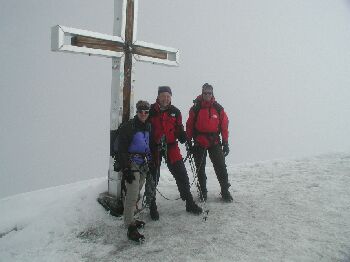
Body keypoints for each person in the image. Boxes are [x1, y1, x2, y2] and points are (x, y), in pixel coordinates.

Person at [146, 86, 202, 220]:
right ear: (158, 97)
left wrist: (185, 139)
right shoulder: (150, 111)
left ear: (171, 97)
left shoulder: (175, 112)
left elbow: (179, 129)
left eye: (168, 96)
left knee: (181, 174)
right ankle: (152, 205)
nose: (165, 99)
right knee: (153, 176)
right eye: (163, 96)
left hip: (171, 147)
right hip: (154, 148)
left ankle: (189, 202)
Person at [186, 83, 233, 202]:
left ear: (212, 94)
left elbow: (224, 126)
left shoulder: (218, 108)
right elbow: (189, 126)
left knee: (221, 166)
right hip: (199, 142)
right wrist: (188, 141)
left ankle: (225, 190)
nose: (207, 95)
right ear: (202, 93)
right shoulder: (195, 108)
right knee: (200, 168)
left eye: (209, 93)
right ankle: (203, 191)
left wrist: (225, 142)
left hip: (214, 141)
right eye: (205, 93)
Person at [117, 100, 152, 242]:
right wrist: (126, 168)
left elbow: (146, 145)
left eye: (146, 111)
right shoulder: (129, 127)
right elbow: (122, 149)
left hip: (143, 164)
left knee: (136, 193)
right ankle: (130, 227)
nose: (143, 114)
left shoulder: (147, 126)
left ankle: (131, 218)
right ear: (136, 111)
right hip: (131, 164)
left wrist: (151, 161)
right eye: (140, 111)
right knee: (132, 194)